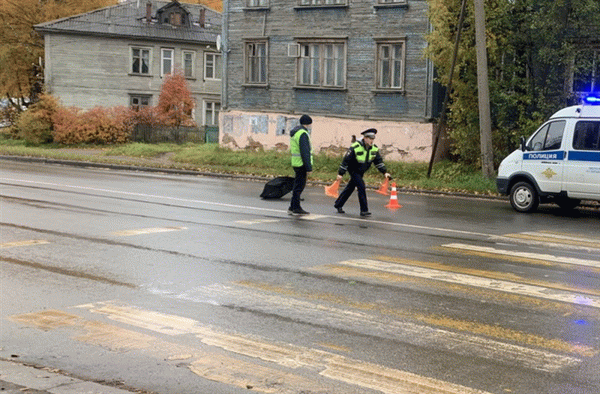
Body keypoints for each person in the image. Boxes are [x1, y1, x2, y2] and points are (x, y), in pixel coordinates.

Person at [334, 128, 391, 217]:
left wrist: (385, 172)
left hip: (361, 171)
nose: (372, 141)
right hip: (353, 170)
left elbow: (378, 162)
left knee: (350, 187)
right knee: (361, 186)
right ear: (365, 138)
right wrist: (340, 173)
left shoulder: (374, 149)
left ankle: (338, 204)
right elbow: (346, 160)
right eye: (370, 138)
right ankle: (364, 210)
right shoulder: (355, 147)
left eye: (373, 139)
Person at [288, 114, 313, 215]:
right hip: (302, 164)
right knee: (299, 186)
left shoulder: (296, 132)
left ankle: (292, 206)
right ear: (308, 124)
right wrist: (308, 167)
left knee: (297, 185)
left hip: (296, 163)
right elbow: (305, 152)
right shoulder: (303, 134)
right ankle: (296, 208)